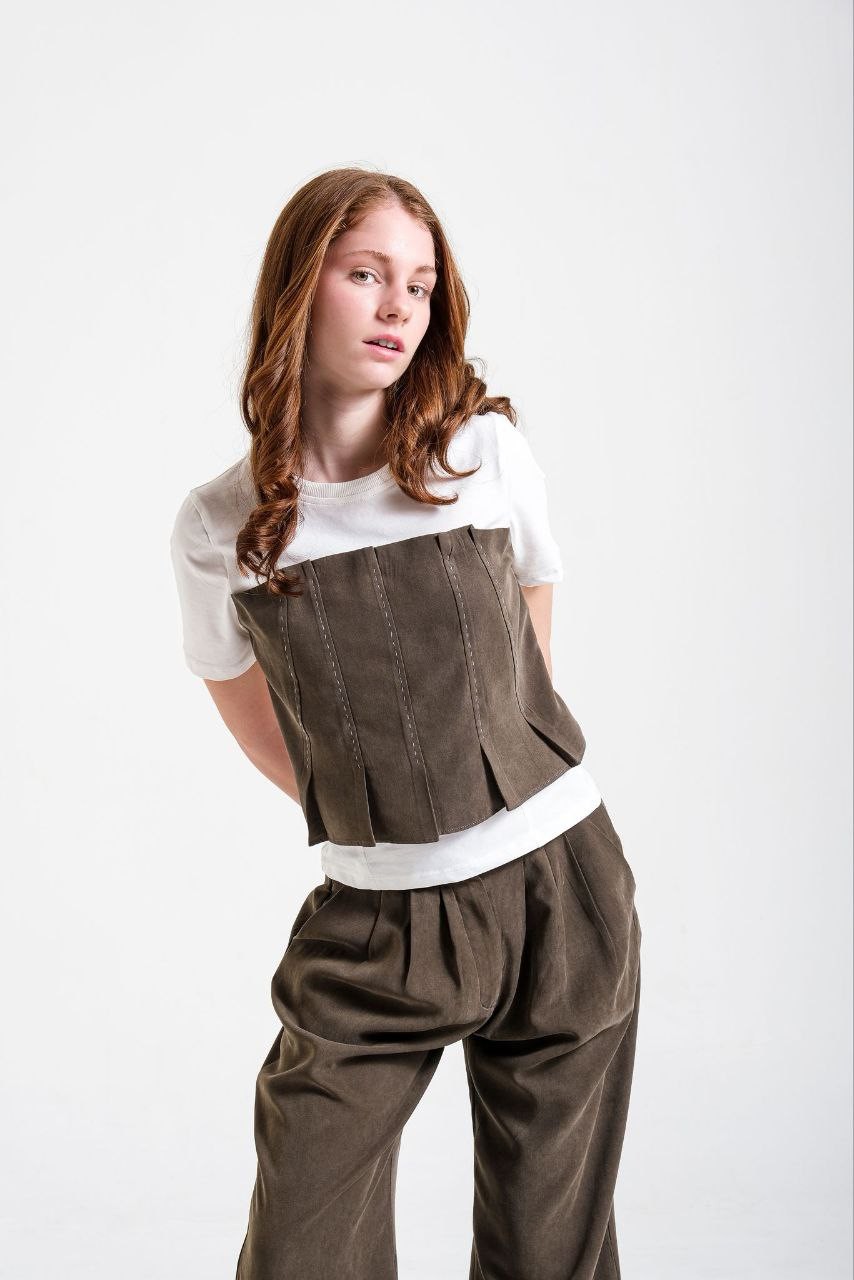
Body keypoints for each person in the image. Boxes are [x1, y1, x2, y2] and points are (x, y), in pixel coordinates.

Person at [169, 167, 642, 1280]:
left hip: (559, 886)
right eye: (366, 274)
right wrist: (382, 812)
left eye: (420, 285)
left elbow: (529, 626)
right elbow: (252, 712)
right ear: (299, 287)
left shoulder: (479, 454)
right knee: (303, 1233)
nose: (398, 307)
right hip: (376, 923)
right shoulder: (220, 524)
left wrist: (488, 769)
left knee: (548, 1250)